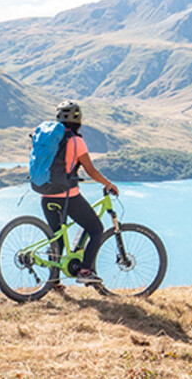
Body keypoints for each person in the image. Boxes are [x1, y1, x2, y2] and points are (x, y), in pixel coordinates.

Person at [41, 100, 119, 284]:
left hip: (45, 195)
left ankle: (54, 282)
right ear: (79, 121)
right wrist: (108, 184)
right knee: (96, 229)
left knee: (57, 238)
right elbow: (90, 170)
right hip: (68, 197)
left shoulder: (49, 140)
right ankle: (85, 272)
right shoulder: (76, 142)